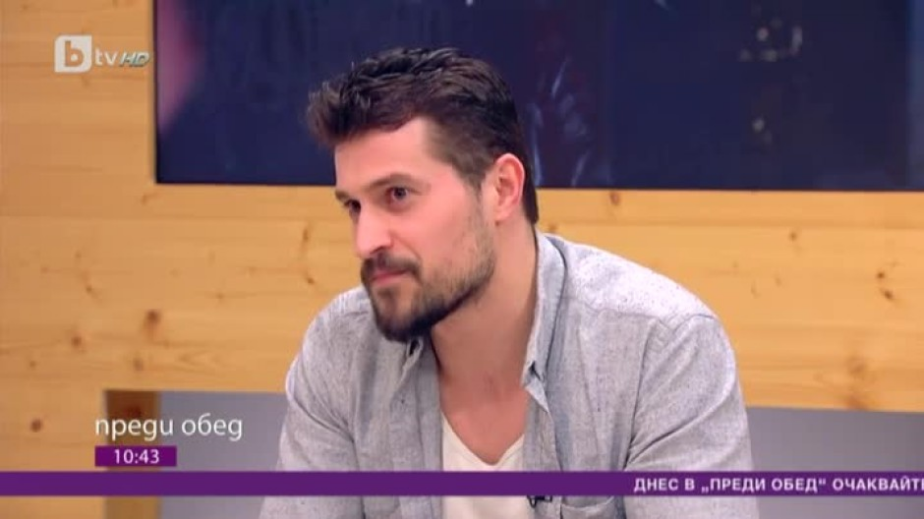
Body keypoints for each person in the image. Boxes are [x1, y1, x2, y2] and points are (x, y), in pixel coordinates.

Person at [260, 46, 759, 519]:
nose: (365, 241)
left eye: (398, 194)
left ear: (501, 189)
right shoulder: (342, 350)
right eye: (354, 206)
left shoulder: (660, 348)